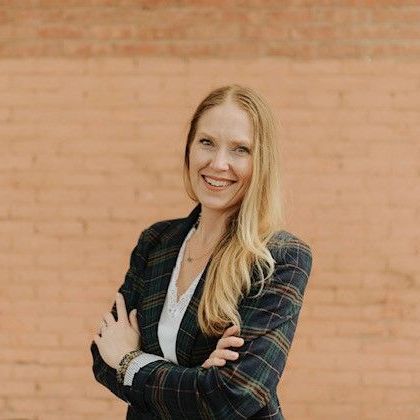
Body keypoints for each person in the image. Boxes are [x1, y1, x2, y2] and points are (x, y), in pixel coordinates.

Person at [90, 84, 313, 419]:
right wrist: (197, 380)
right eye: (206, 142)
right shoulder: (156, 242)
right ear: (189, 149)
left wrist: (131, 361)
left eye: (240, 149)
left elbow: (233, 396)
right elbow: (101, 355)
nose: (218, 163)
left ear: (261, 162)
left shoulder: (278, 258)